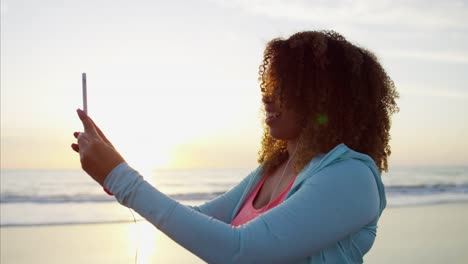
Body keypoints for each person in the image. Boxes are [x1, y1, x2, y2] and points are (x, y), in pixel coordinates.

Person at [71, 30, 399, 263]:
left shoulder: (351, 177)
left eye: (283, 87)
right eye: (268, 85)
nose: (267, 96)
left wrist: (121, 177)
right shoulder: (273, 169)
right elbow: (200, 221)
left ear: (324, 97)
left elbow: (240, 251)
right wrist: (111, 171)